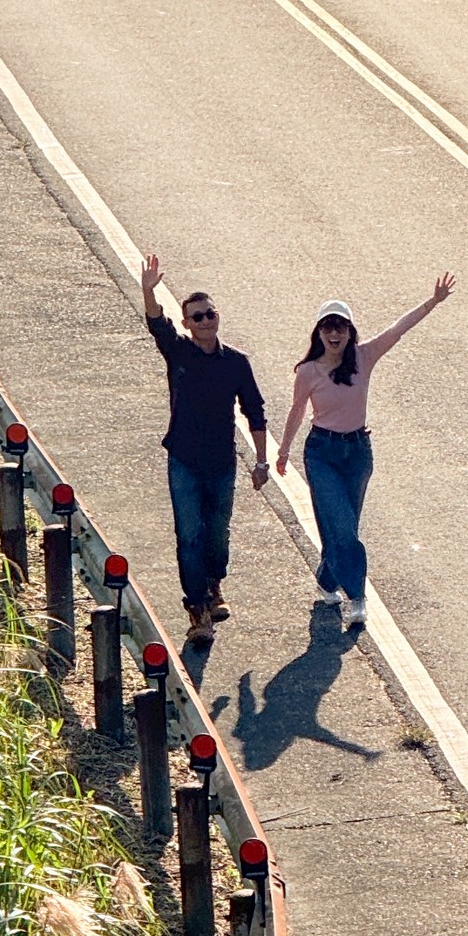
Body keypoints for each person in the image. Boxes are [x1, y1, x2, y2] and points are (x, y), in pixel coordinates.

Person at [275, 275, 456, 631]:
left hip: (357, 453)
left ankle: (328, 580)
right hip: (322, 453)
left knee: (344, 525)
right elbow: (297, 410)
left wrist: (432, 301)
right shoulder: (308, 371)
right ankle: (357, 597)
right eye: (328, 327)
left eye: (341, 327)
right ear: (318, 332)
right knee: (341, 526)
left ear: (350, 331)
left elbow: (398, 329)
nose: (334, 334)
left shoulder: (364, 357)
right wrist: (282, 451)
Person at [141, 251, 269, 645]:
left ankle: (214, 586)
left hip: (222, 463)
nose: (205, 321)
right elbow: (155, 324)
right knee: (189, 535)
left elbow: (255, 411)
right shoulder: (178, 351)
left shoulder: (236, 363)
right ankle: (197, 611)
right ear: (187, 324)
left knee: (217, 534)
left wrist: (261, 462)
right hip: (183, 460)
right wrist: (148, 291)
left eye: (210, 314)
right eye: (197, 317)